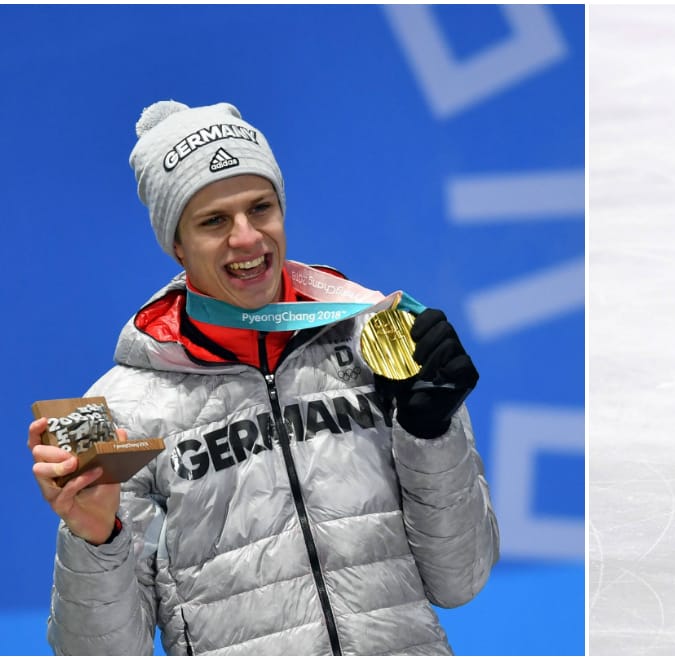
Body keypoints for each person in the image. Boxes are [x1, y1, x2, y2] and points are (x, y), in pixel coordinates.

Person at [26, 100, 500, 654]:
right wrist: (93, 538)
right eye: (214, 221)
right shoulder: (112, 409)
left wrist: (430, 434)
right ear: (175, 244)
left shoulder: (378, 339)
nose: (248, 238)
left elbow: (461, 580)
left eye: (261, 208)